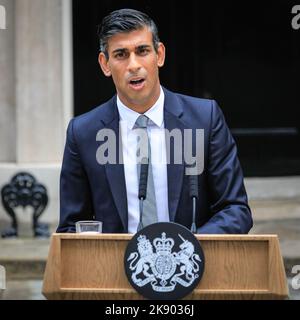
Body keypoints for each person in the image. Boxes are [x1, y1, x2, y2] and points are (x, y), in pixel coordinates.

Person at [57, 8, 252, 234]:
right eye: (121, 54)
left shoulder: (204, 119)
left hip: (192, 264)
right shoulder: (82, 133)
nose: (133, 65)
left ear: (159, 55)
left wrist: (187, 250)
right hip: (115, 268)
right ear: (105, 64)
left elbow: (235, 209)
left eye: (142, 51)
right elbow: (71, 227)